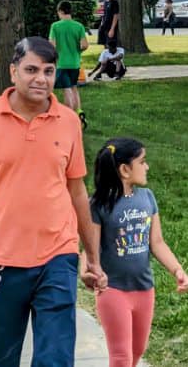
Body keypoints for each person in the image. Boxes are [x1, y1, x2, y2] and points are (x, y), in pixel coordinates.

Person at [0, 36, 106, 367]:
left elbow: (77, 190)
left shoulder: (69, 121)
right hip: (0, 261)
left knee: (56, 358)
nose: (41, 79)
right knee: (0, 358)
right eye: (31, 69)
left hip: (58, 257)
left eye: (49, 71)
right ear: (13, 72)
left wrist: (91, 257)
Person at [81, 138, 188, 367]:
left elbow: (157, 242)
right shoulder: (99, 205)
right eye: (142, 161)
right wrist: (88, 271)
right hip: (113, 290)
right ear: (125, 170)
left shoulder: (147, 198)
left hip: (144, 289)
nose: (147, 166)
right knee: (121, 357)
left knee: (137, 352)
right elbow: (90, 248)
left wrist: (177, 269)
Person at [49, 0, 89, 129]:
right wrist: (77, 51)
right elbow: (84, 45)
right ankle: (79, 112)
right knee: (73, 87)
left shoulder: (55, 26)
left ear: (60, 11)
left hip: (61, 63)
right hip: (75, 62)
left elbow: (52, 45)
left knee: (67, 90)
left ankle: (70, 119)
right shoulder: (79, 26)